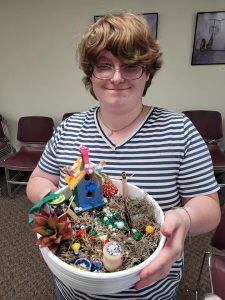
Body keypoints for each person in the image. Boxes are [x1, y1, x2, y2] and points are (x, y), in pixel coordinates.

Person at [26, 12, 221, 300]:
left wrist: (185, 216)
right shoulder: (70, 129)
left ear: (148, 73)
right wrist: (55, 196)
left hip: (151, 289)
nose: (117, 77)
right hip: (73, 288)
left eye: (131, 66)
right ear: (91, 73)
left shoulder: (179, 130)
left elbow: (208, 205)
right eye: (104, 66)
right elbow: (38, 180)